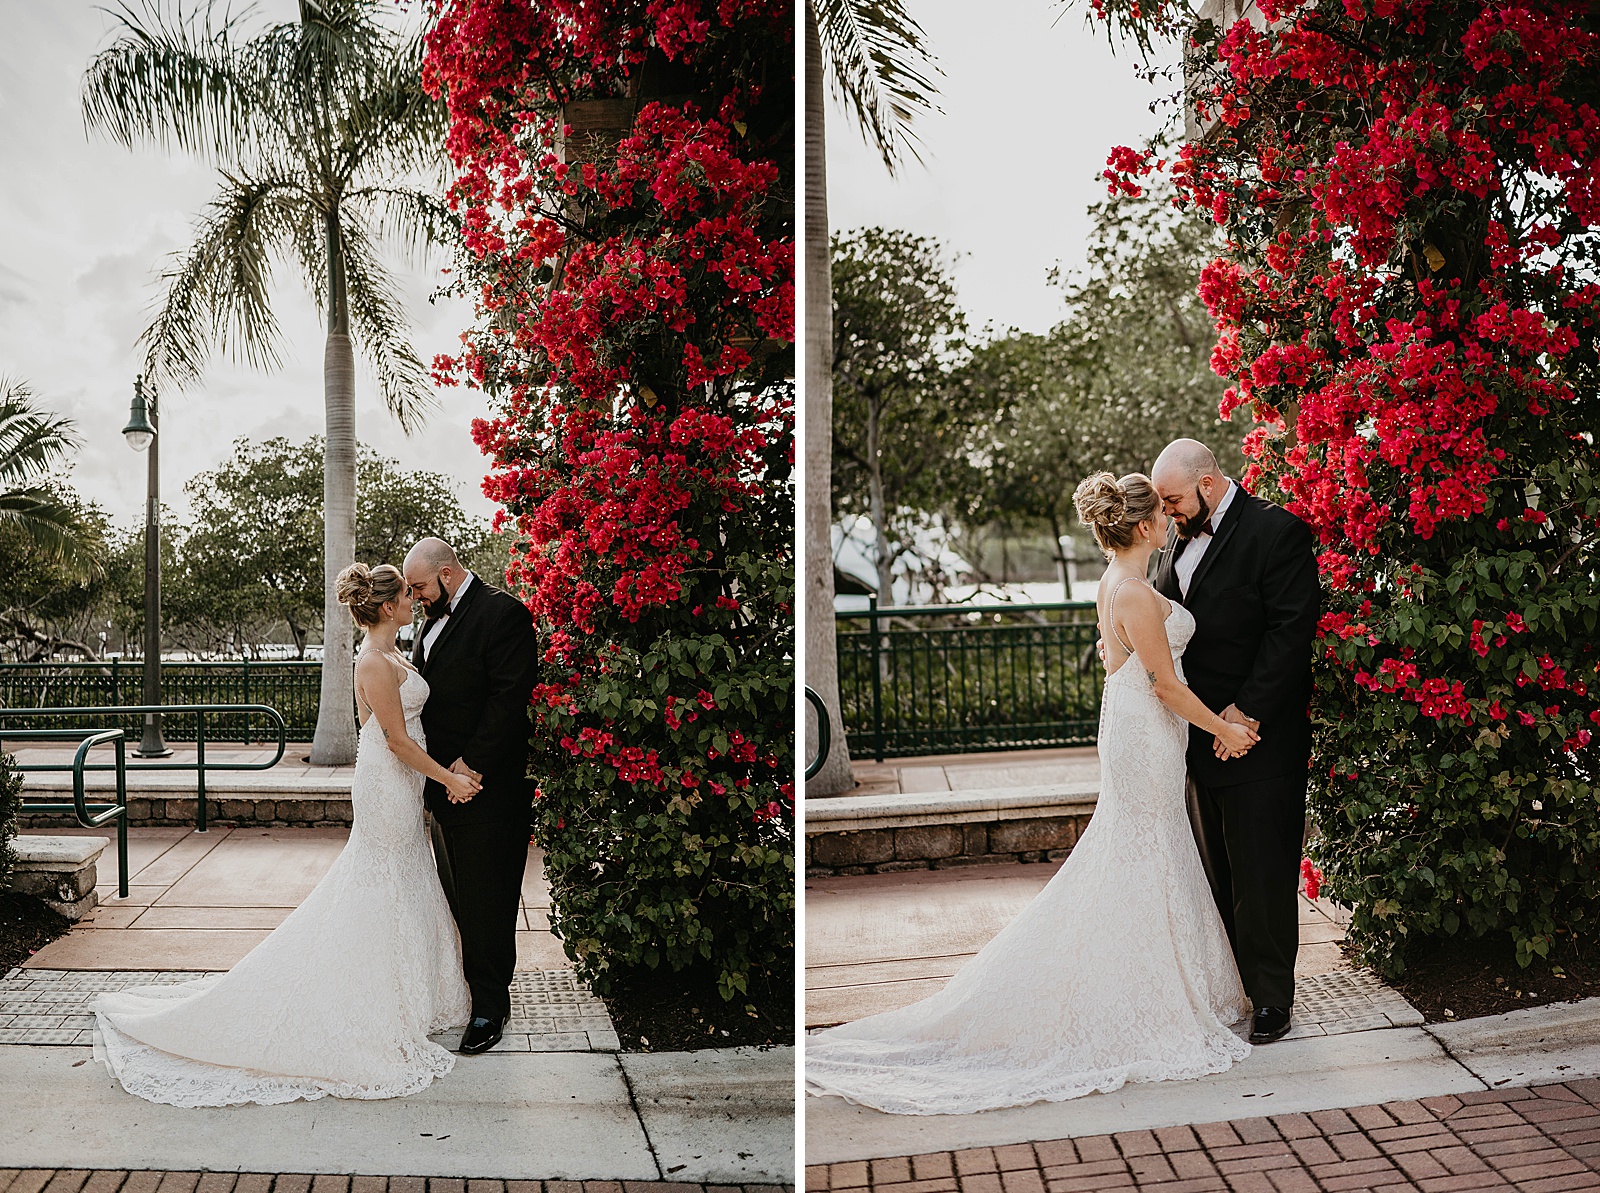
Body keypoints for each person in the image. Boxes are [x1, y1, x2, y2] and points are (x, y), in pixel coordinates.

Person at [805, 472, 1259, 1115]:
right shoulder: (1132, 590)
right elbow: (1164, 685)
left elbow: (1117, 665)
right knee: (1141, 848)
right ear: (1142, 526)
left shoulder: (1116, 582)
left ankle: (1150, 980)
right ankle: (1131, 995)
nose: (1167, 521)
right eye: (1159, 513)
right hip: (1147, 726)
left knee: (1145, 847)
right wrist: (1226, 729)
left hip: (1139, 726)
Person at [92, 563, 477, 1106]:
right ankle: (366, 994)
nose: (416, 601)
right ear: (388, 607)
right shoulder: (372, 661)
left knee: (406, 875)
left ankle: (416, 992)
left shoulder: (393, 654)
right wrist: (449, 778)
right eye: (408, 595)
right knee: (382, 879)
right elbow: (393, 740)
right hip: (388, 782)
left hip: (403, 782)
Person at [1150, 438, 1320, 1045]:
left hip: (1260, 739)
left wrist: (1243, 715)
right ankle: (1239, 987)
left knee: (1263, 873)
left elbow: (1290, 633)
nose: (1166, 512)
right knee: (1217, 872)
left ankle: (1273, 999)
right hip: (1196, 737)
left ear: (1209, 481)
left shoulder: (1279, 534)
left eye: (1173, 499)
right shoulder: (1174, 536)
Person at [402, 537, 539, 1055]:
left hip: (487, 788)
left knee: (489, 900)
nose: (415, 598)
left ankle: (489, 1007)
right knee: (460, 896)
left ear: (448, 572)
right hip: (444, 787)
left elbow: (510, 697)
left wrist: (471, 765)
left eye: (420, 587)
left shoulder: (502, 614)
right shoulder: (429, 619)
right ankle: (475, 989)